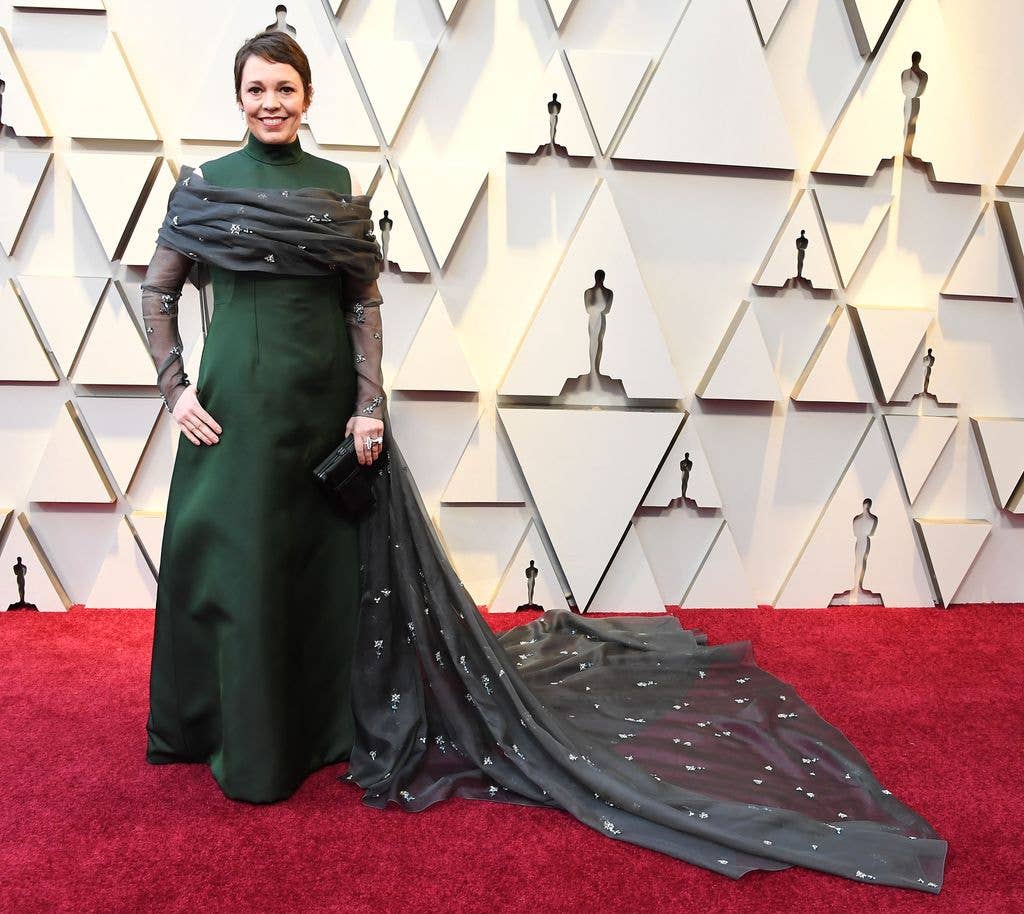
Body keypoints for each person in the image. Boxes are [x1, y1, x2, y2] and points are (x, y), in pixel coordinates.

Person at [142, 30, 947, 895]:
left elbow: (363, 305)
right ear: (238, 97)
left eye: (285, 89)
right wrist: (175, 388)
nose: (271, 103)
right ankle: (244, 741)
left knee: (324, 575)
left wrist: (369, 404)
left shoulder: (338, 186)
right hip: (233, 418)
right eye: (257, 89)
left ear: (307, 98)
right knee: (243, 570)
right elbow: (158, 291)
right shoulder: (205, 185)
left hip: (324, 412)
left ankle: (325, 731)